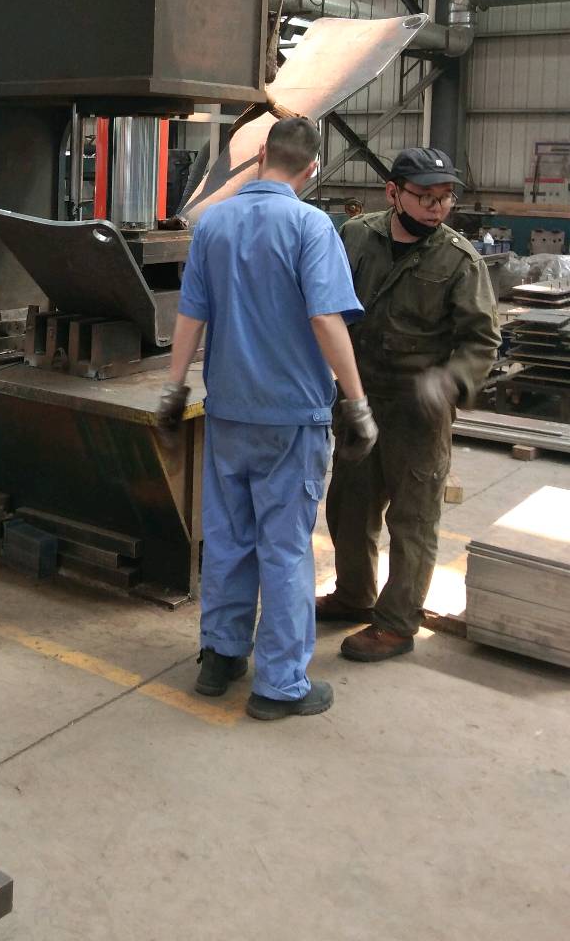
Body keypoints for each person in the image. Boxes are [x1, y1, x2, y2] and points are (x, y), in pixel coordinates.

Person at [157, 116, 378, 721]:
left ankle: (220, 657)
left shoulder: (213, 224)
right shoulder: (311, 226)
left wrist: (174, 389)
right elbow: (326, 318)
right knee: (284, 549)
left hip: (228, 413)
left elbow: (190, 314)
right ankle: (280, 685)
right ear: (311, 168)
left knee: (228, 538)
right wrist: (356, 400)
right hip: (290, 419)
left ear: (259, 157)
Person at [318, 147, 501, 661]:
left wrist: (449, 383)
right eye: (425, 196)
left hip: (419, 412)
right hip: (358, 398)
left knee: (413, 520)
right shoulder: (357, 236)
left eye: (445, 198)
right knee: (349, 507)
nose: (436, 207)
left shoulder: (458, 261)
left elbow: (481, 341)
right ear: (393, 193)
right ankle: (354, 594)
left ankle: (397, 624)